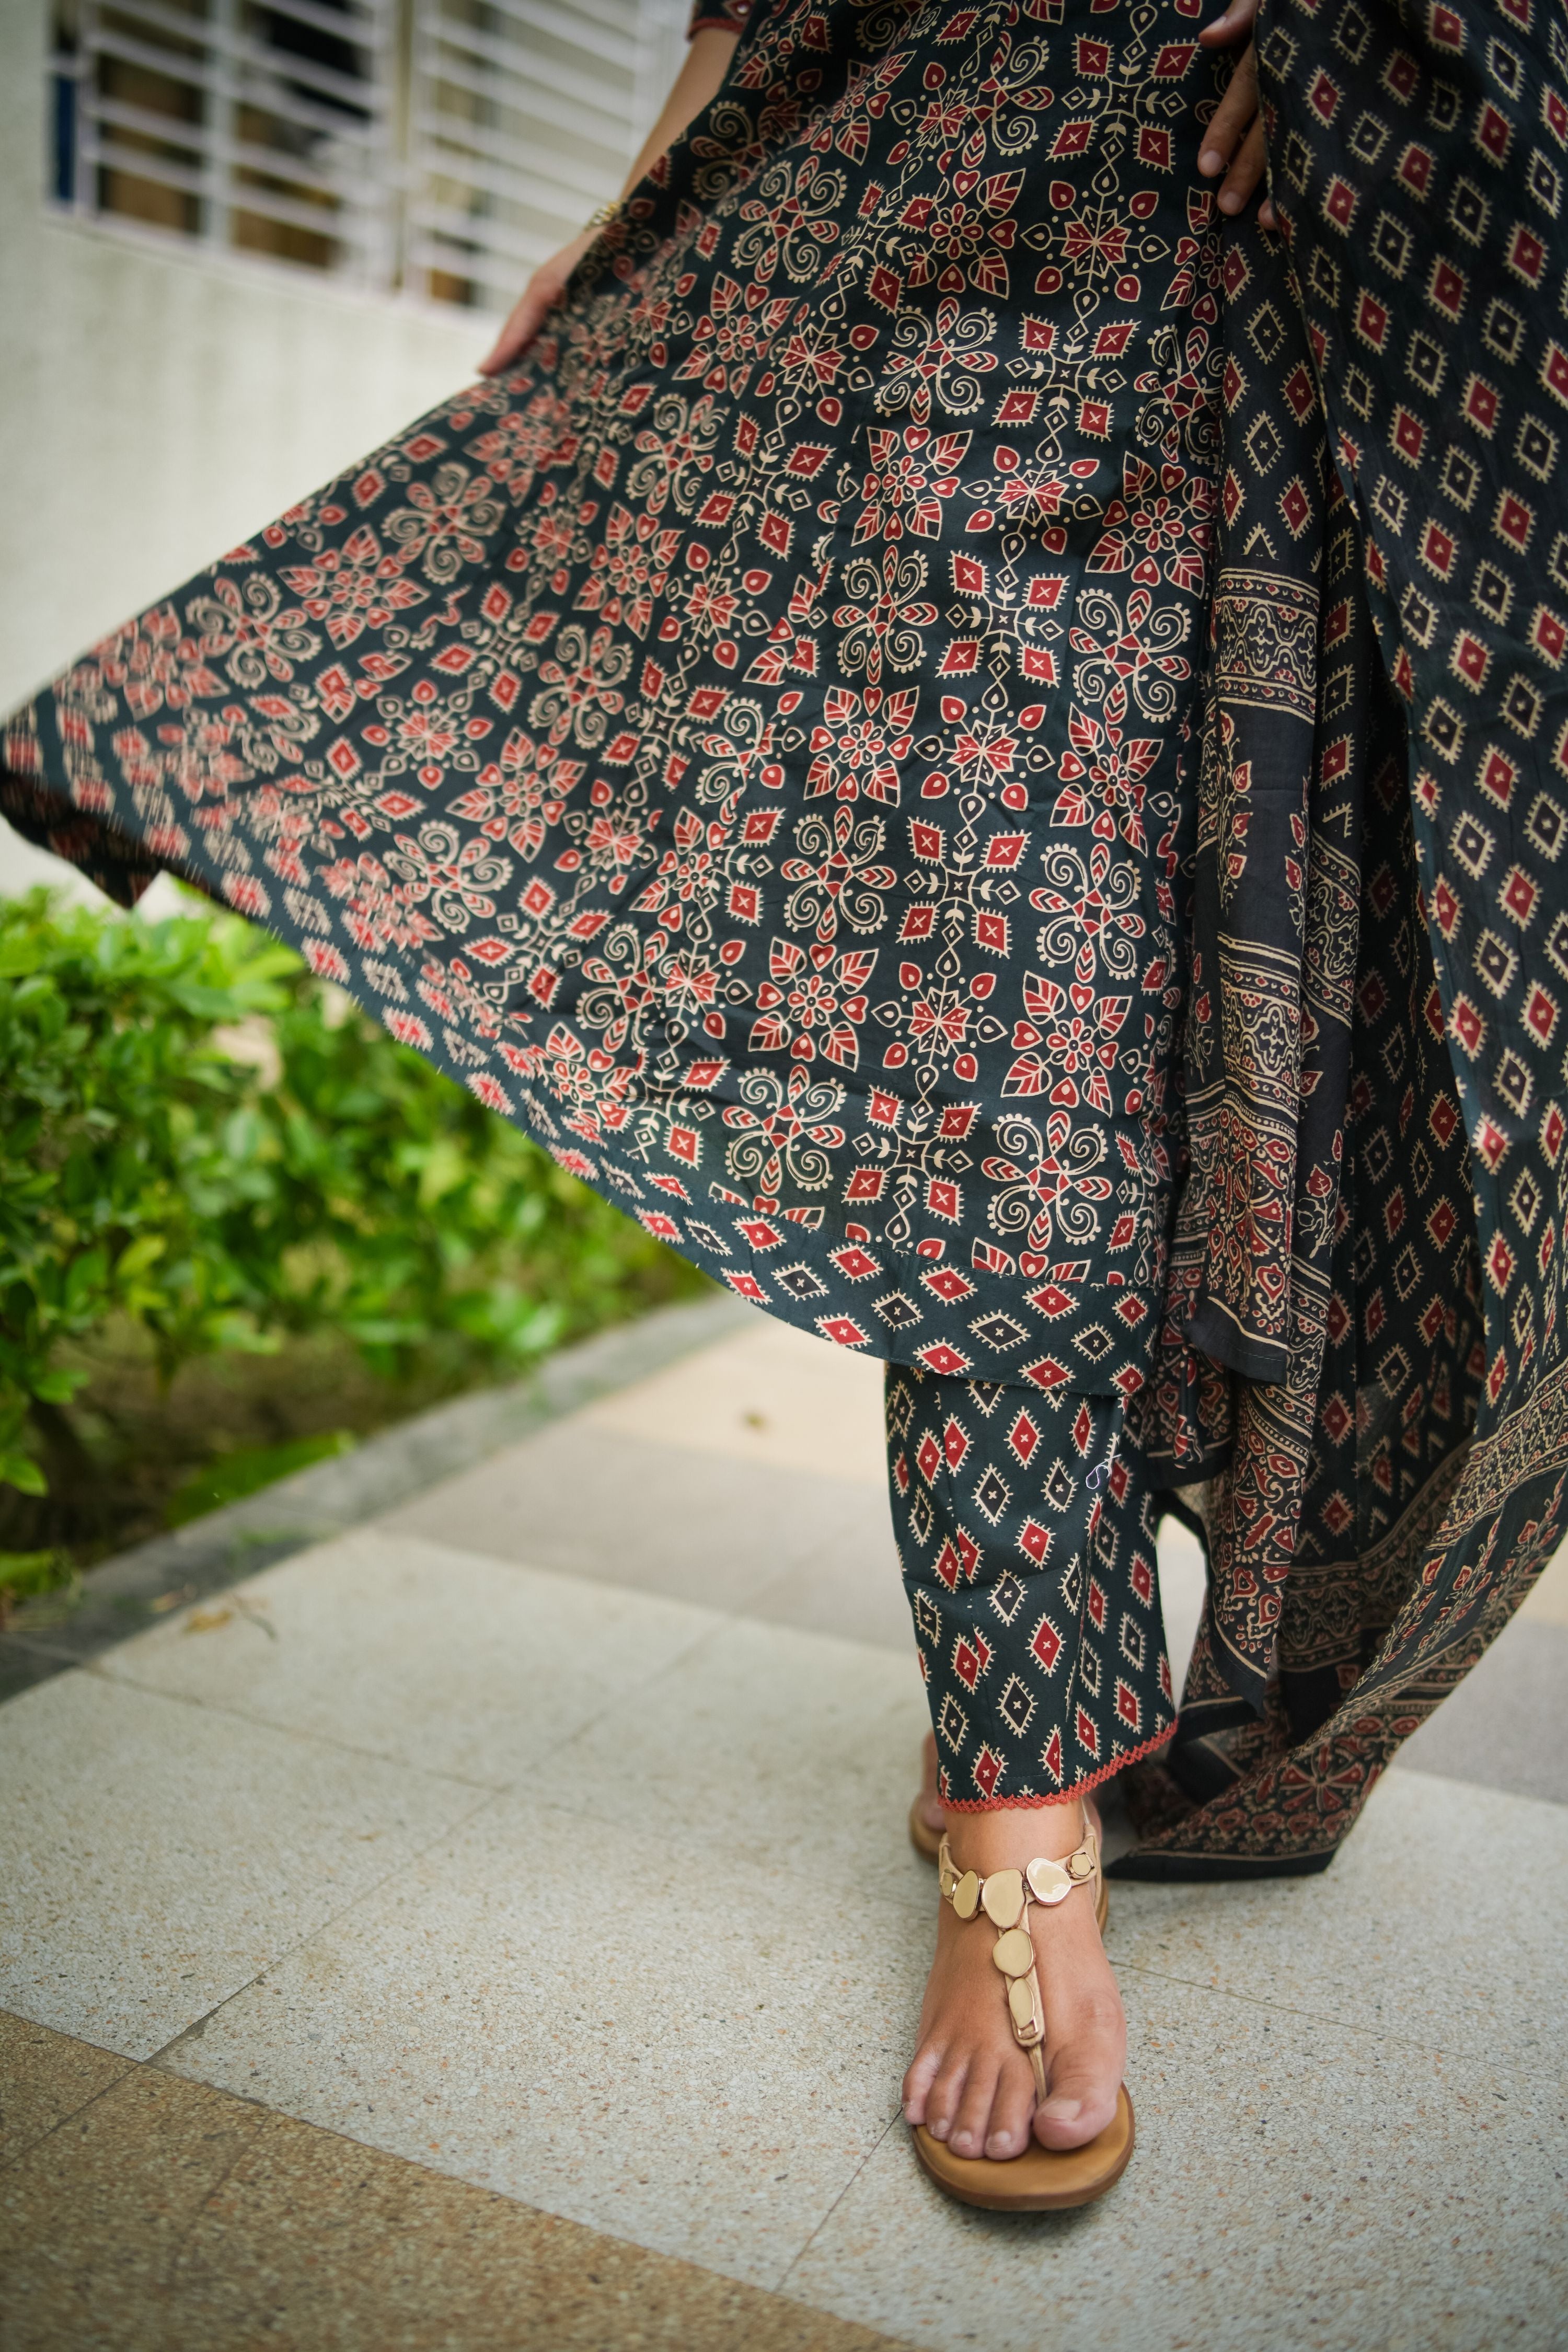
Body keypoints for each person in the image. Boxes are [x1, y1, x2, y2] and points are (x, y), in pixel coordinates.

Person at [5, 0, 1565, 2213]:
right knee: (994, 1026)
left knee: (1319, 1050)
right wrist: (652, 207)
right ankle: (1027, 1797)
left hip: (1338, 260)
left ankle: (1081, 1685)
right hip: (960, 210)